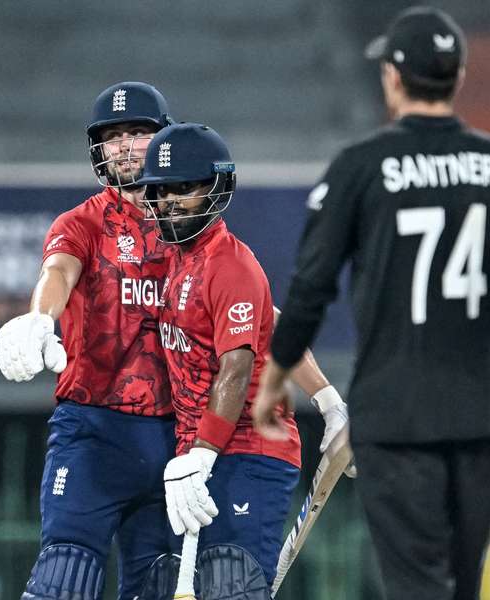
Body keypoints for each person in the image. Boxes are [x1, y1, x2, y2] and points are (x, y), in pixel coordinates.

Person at [253, 6, 490, 600]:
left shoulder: (361, 167)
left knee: (416, 586)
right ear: (458, 78)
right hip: (480, 412)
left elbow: (310, 292)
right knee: (462, 584)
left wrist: (273, 381)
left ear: (392, 76)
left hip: (396, 411)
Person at [136, 122, 350, 599]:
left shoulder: (229, 265)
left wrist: (202, 455)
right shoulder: (177, 258)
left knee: (231, 583)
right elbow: (270, 324)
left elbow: (233, 372)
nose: (171, 201)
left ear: (216, 187)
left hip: (249, 452)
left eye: (185, 189)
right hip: (200, 455)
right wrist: (330, 399)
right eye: (163, 190)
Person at [0, 81, 181, 600]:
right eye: (113, 135)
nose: (123, 145)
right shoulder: (81, 223)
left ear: (164, 139)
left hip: (175, 439)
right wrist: (39, 319)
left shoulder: (193, 228)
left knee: (161, 586)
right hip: (94, 431)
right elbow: (57, 271)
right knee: (64, 580)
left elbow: (243, 304)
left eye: (138, 133)